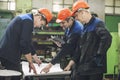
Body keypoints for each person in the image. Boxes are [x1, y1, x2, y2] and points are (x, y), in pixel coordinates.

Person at [0, 8, 52, 80]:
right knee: (16, 76)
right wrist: (30, 62)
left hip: (7, 53)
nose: (39, 26)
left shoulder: (26, 18)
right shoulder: (28, 21)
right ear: (39, 17)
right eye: (41, 24)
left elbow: (27, 41)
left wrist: (35, 57)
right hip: (9, 55)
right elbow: (24, 43)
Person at [67, 1, 112, 80]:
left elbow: (107, 38)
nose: (76, 19)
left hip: (94, 69)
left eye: (76, 16)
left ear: (83, 12)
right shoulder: (85, 27)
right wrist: (73, 61)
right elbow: (80, 46)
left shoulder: (97, 23)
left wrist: (97, 58)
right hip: (85, 67)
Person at [40, 8, 83, 74]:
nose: (61, 25)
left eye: (63, 23)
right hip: (73, 55)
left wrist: (50, 65)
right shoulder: (68, 27)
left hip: (79, 59)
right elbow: (65, 42)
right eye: (60, 23)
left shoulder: (77, 30)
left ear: (71, 20)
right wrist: (61, 44)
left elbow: (66, 49)